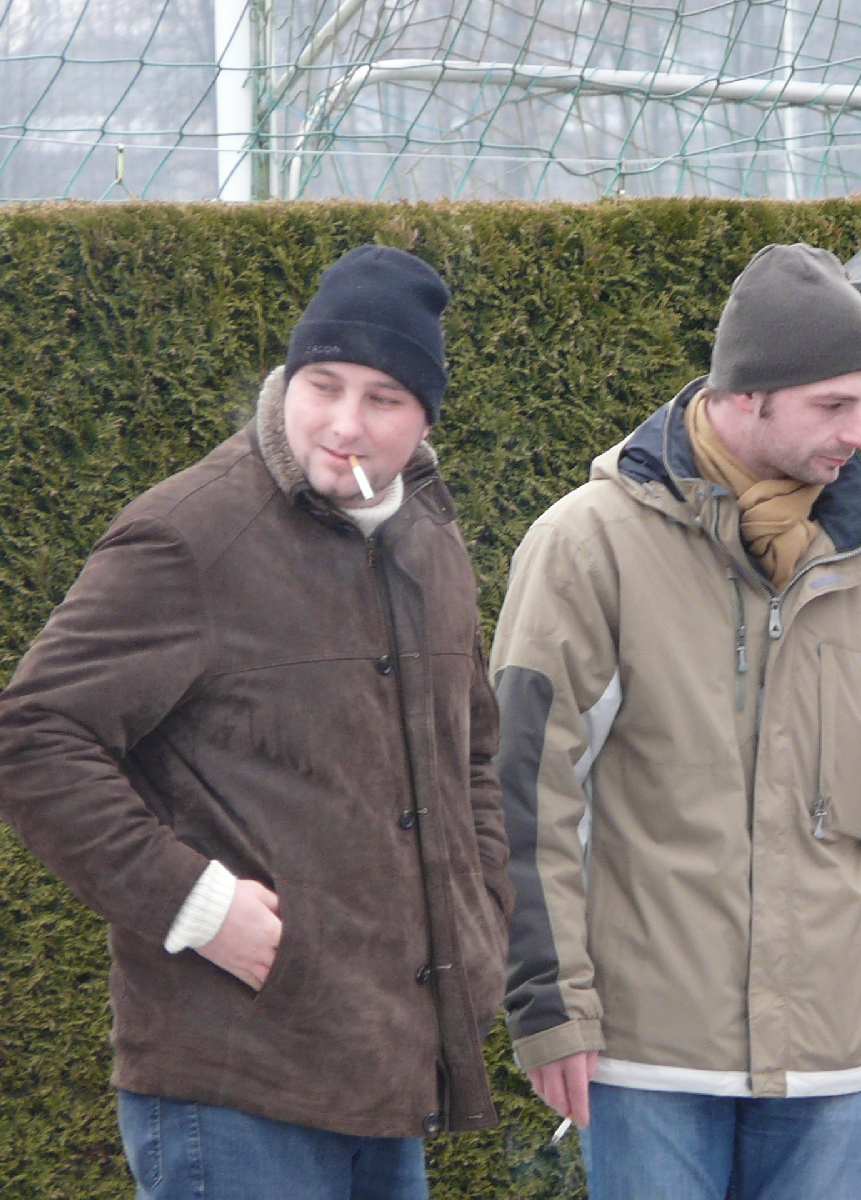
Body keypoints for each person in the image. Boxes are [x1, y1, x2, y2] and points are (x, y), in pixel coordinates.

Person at [0, 245, 511, 1200]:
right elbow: (31, 738)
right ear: (288, 379)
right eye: (324, 386)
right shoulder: (192, 534)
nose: (346, 424)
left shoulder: (432, 542)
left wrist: (480, 915)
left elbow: (472, 754)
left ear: (425, 418)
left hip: (390, 1080)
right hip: (232, 1086)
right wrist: (194, 905)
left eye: (383, 399)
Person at [490, 243, 861, 1199]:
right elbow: (526, 792)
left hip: (827, 1068)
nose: (860, 431)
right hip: (647, 1060)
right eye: (833, 405)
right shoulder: (586, 546)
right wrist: (552, 1011)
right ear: (747, 395)